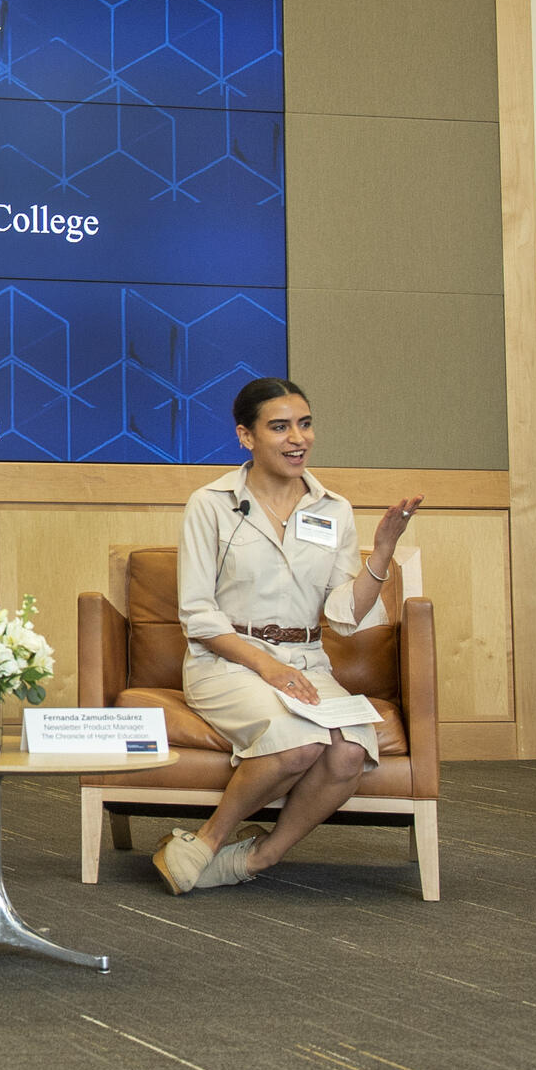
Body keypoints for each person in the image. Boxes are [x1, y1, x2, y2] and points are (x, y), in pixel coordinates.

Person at [151, 375, 424, 896]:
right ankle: (207, 844)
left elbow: (344, 615)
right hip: (227, 661)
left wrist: (383, 551)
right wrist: (268, 666)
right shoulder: (210, 503)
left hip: (307, 661)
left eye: (304, 424)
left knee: (347, 752)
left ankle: (258, 857)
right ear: (246, 437)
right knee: (300, 745)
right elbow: (198, 615)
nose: (297, 438)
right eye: (279, 427)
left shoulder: (334, 509)